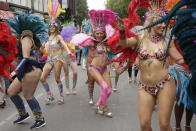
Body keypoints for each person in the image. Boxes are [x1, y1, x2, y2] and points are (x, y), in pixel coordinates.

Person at [109, 0, 185, 130]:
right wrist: (122, 32)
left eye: (164, 22)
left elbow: (179, 59)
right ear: (151, 22)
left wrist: (189, 61)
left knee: (164, 125)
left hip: (165, 83)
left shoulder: (167, 40)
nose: (163, 25)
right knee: (144, 125)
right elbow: (123, 43)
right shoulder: (139, 39)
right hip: (144, 86)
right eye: (160, 22)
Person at [71, 9, 115, 117]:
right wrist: (88, 35)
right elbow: (80, 43)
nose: (99, 35)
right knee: (103, 86)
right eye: (97, 33)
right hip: (94, 68)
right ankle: (105, 107)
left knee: (109, 90)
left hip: (104, 69)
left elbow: (116, 44)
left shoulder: (106, 43)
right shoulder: (91, 42)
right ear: (94, 33)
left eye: (101, 33)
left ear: (104, 33)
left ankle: (98, 104)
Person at [7, 14, 47, 129]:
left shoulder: (26, 38)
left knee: (28, 95)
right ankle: (23, 114)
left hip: (31, 70)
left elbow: (25, 57)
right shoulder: (24, 38)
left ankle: (40, 119)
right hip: (26, 69)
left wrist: (15, 72)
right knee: (11, 92)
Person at [40, 1, 70, 105]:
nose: (51, 27)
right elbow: (44, 46)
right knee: (42, 78)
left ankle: (61, 96)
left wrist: (69, 51)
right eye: (50, 26)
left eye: (53, 26)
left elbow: (64, 44)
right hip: (49, 59)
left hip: (58, 59)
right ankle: (50, 95)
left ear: (56, 27)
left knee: (57, 78)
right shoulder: (49, 37)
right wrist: (42, 46)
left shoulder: (58, 36)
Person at [61, 25, 78, 95]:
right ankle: (67, 88)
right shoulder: (62, 40)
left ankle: (74, 87)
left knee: (75, 72)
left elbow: (77, 47)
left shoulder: (73, 40)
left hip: (72, 58)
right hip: (64, 58)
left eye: (70, 32)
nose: (69, 33)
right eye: (67, 32)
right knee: (66, 73)